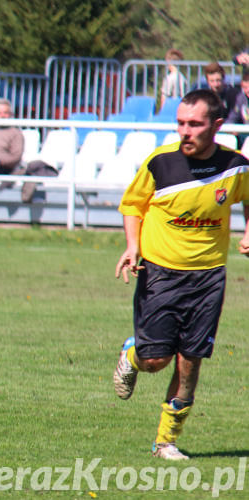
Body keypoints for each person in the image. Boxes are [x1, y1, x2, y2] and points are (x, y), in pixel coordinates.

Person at [112, 89, 249, 461]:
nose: (185, 131)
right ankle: (134, 352)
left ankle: (165, 442)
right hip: (160, 273)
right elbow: (132, 204)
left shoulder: (235, 166)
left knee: (190, 360)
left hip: (208, 279)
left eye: (194, 124)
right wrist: (132, 245)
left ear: (216, 125)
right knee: (157, 361)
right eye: (181, 123)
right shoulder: (161, 163)